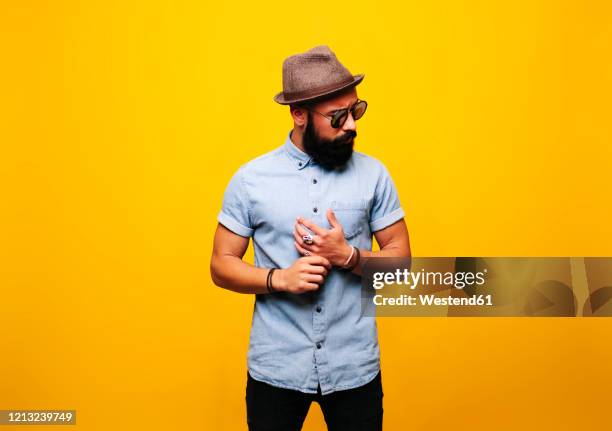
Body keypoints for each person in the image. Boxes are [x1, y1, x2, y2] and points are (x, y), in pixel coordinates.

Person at [210, 45, 411, 431]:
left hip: (355, 368)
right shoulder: (251, 180)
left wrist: (350, 256)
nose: (351, 125)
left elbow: (401, 264)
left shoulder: (375, 175)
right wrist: (279, 279)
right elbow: (221, 265)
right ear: (299, 114)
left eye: (356, 111)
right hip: (277, 369)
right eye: (338, 117)